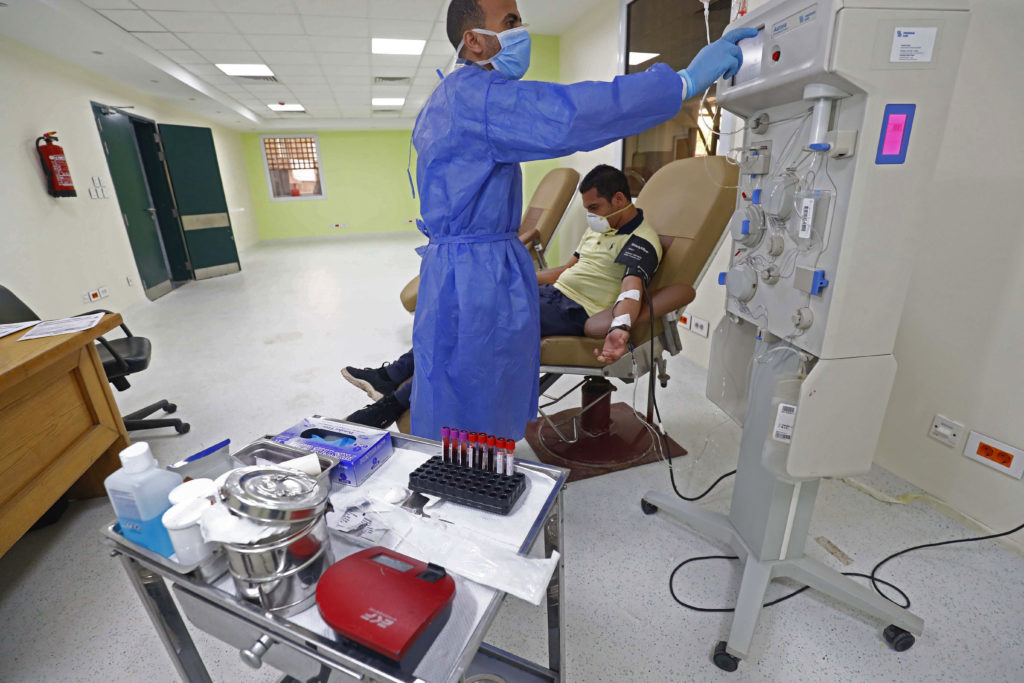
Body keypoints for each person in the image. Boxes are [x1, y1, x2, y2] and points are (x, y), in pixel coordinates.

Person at [404, 0, 754, 441]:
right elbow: (574, 111)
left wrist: (618, 321)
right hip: (480, 274)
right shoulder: (481, 98)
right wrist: (681, 82)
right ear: (473, 41)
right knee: (478, 396)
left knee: (453, 381)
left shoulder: (445, 99)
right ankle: (475, 471)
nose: (520, 32)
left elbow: (633, 284)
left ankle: (460, 466)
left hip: (460, 272)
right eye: (510, 22)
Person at [344, 165, 665, 429]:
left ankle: (390, 403)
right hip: (550, 294)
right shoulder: (600, 228)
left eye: (595, 208)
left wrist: (620, 327)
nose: (591, 216)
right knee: (459, 311)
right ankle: (393, 375)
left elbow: (631, 289)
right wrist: (516, 280)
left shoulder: (641, 241)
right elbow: (568, 269)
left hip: (573, 311)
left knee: (472, 335)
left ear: (619, 198)